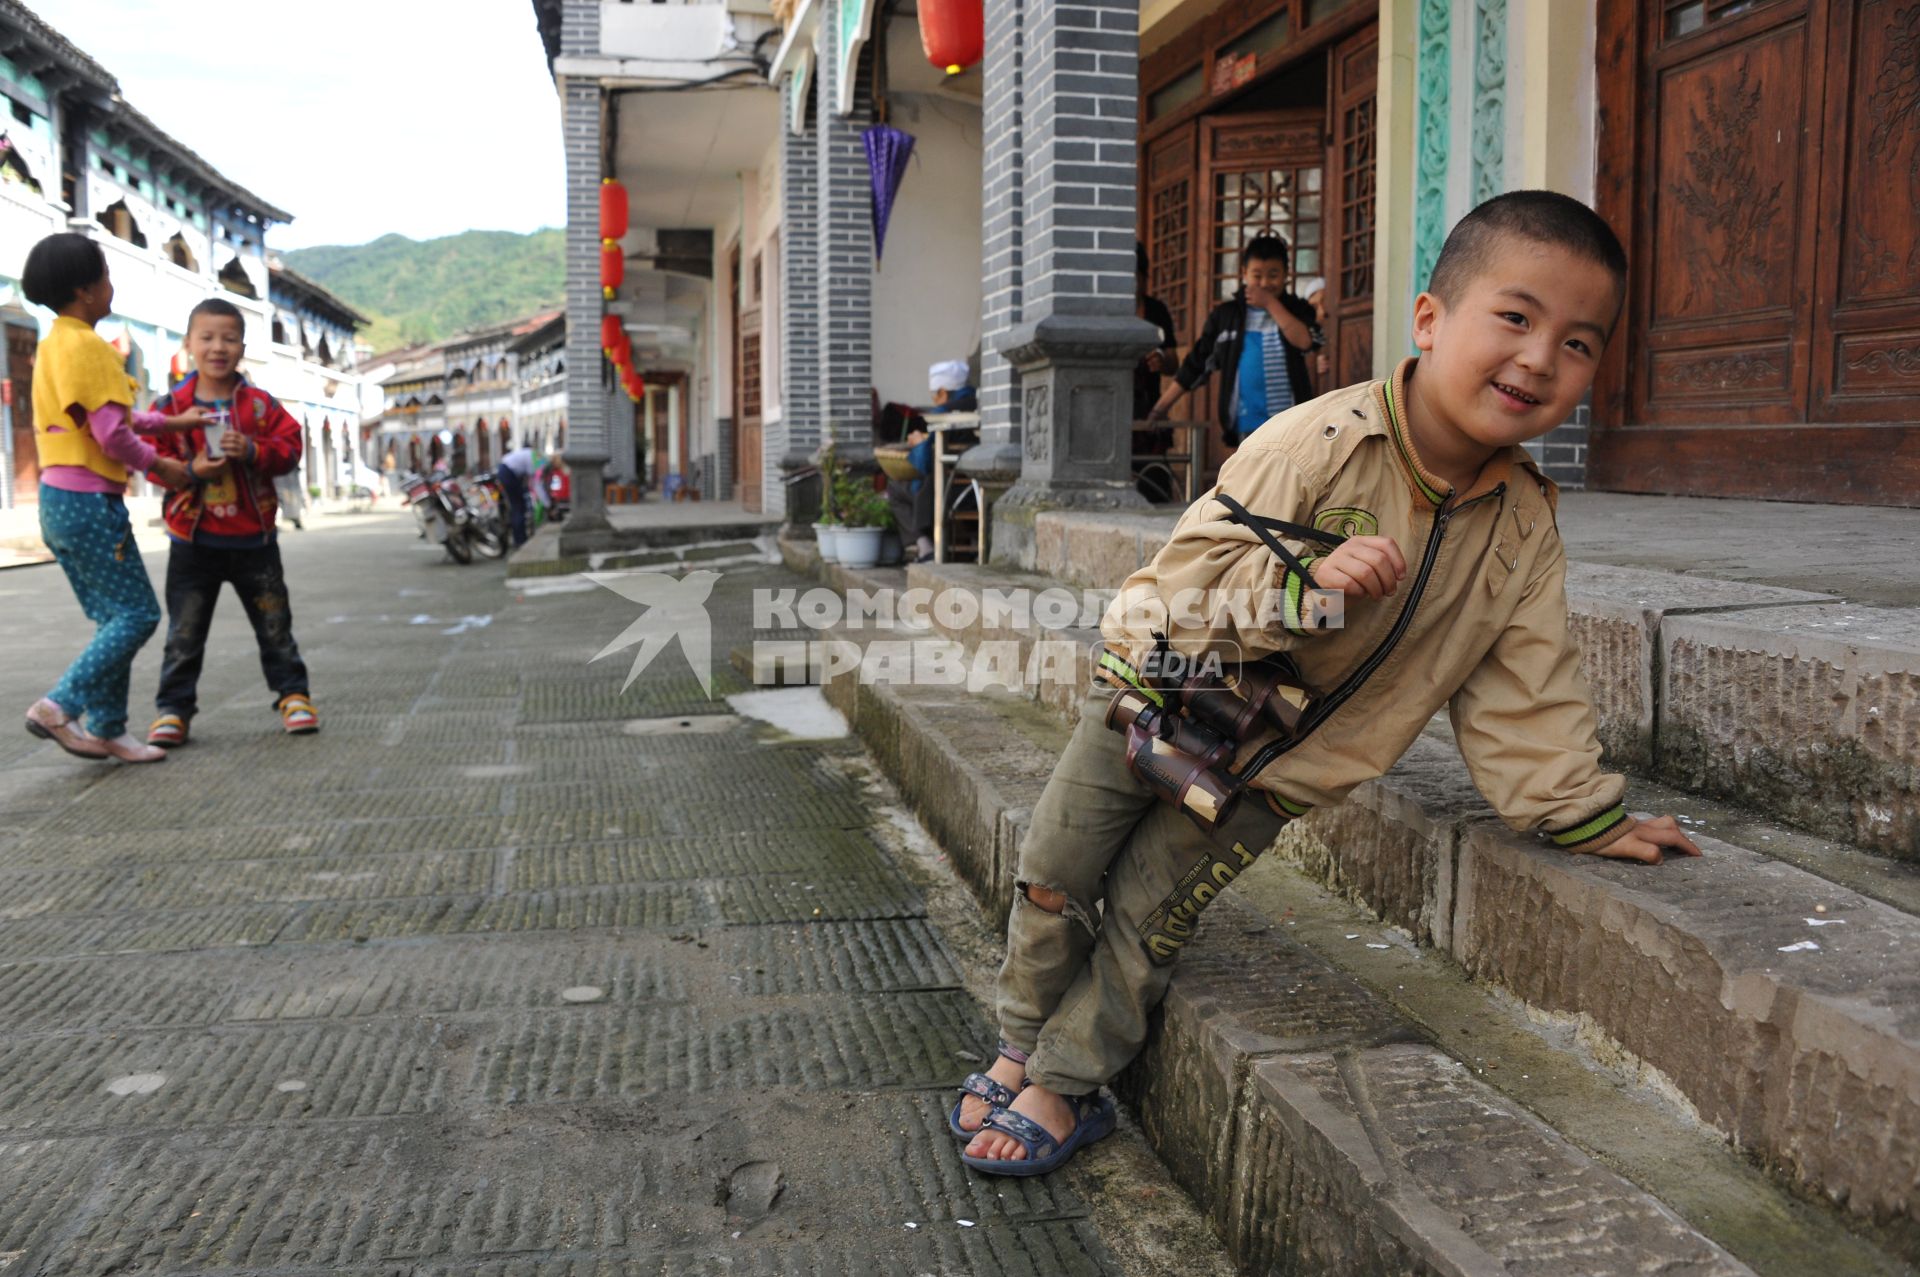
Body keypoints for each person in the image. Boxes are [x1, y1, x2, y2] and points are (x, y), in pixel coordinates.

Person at [953, 191, 1704, 1176]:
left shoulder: (1521, 527)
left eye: (1578, 343)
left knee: (1150, 909)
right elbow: (1164, 595)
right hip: (1158, 698)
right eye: (1515, 317)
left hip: (1274, 769)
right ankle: (1015, 1040)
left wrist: (1580, 811)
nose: (1537, 358)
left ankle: (1065, 1080)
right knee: (1055, 868)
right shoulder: (1321, 441)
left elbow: (1529, 686)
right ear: (1431, 321)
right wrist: (1300, 591)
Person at [19, 232, 200, 763]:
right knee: (137, 616)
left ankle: (107, 728)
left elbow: (111, 416)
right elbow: (113, 436)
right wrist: (163, 465)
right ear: (87, 290)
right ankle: (59, 705)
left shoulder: (56, 342)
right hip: (92, 502)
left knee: (113, 616)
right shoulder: (92, 347)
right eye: (104, 275)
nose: (110, 285)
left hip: (57, 501)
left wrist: (171, 420)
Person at [142, 297, 317, 747]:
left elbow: (292, 447)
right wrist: (193, 471)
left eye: (229, 338)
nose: (218, 347)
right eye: (207, 337)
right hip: (192, 539)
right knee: (184, 632)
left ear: (243, 347)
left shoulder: (259, 406)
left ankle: (293, 694)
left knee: (275, 623)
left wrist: (255, 451)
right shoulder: (171, 405)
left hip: (254, 539)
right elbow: (150, 459)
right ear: (188, 345)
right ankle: (173, 710)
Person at [1147, 234, 1323, 448]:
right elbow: (1196, 364)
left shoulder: (1298, 309)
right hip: (1246, 424)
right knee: (1251, 480)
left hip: (1292, 424)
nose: (1265, 283)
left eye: (1273, 275)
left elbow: (1305, 342)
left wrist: (1269, 303)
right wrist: (1160, 408)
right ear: (1244, 274)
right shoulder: (1226, 316)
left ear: (1286, 274)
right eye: (1257, 275)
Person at [888, 359, 976, 564]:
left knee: (895, 488)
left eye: (934, 396)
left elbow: (925, 463)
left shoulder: (942, 414)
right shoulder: (978, 403)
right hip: (972, 486)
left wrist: (919, 443)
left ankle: (925, 547)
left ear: (943, 393)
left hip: (946, 489)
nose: (935, 401)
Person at [495, 443, 547, 548]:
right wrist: (547, 503)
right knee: (518, 507)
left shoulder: (531, 454)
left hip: (506, 470)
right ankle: (520, 540)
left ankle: (518, 536)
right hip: (508, 473)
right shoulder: (537, 460)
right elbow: (536, 484)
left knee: (518, 505)